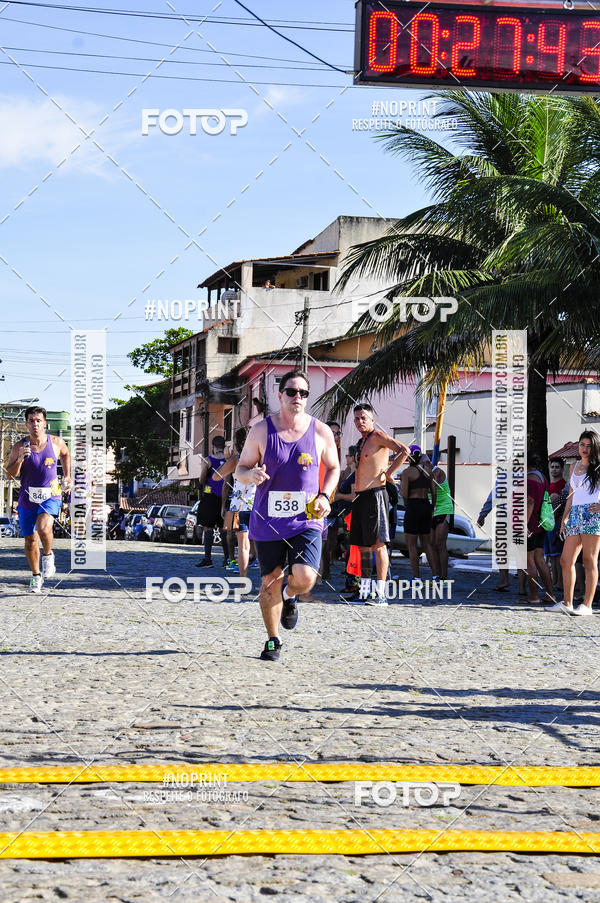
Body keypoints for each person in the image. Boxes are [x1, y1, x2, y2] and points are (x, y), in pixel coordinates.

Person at [236, 370, 340, 661]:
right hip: (268, 520)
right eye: (292, 392)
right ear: (279, 395)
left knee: (305, 578)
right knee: (270, 579)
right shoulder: (261, 431)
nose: (298, 397)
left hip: (307, 517)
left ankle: (290, 595)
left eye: (303, 393)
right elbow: (240, 470)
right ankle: (273, 640)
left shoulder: (321, 431)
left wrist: (324, 495)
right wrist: (251, 473)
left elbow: (334, 468)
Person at [5, 405, 70, 593]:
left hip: (51, 493)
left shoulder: (56, 442)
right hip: (27, 497)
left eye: (38, 420)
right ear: (26, 424)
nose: (35, 424)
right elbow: (10, 475)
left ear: (45, 423)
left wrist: (67, 475)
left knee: (43, 527)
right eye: (31, 421)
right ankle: (36, 576)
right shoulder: (20, 446)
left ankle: (48, 556)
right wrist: (19, 460)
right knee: (30, 541)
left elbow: (66, 454)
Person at [351, 403, 409, 605]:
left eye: (363, 418)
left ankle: (381, 594)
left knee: (378, 545)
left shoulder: (377, 436)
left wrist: (389, 473)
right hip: (360, 498)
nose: (360, 422)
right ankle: (365, 592)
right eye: (357, 418)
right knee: (363, 547)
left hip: (375, 495)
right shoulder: (361, 442)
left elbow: (404, 450)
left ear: (372, 419)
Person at [552, 431, 600, 616]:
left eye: (588, 445)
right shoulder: (573, 466)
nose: (585, 449)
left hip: (592, 514)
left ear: (594, 447)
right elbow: (571, 495)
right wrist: (564, 517)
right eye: (582, 444)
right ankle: (567, 602)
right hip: (574, 515)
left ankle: (587, 605)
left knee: (589, 560)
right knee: (566, 560)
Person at [213, 428, 256, 589]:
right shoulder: (263, 457)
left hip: (240, 505)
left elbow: (216, 476)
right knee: (266, 545)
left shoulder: (237, 459)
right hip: (260, 505)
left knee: (243, 547)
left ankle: (244, 583)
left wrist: (227, 460)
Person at [400, 445, 438, 582]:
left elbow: (404, 494)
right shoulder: (429, 472)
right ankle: (435, 576)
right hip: (426, 506)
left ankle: (416, 577)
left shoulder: (407, 473)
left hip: (413, 507)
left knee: (412, 545)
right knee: (427, 544)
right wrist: (431, 508)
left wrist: (400, 487)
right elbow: (434, 494)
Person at [524, 455, 555, 605]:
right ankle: (550, 594)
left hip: (530, 524)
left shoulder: (529, 479)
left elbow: (529, 502)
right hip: (541, 523)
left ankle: (534, 596)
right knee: (540, 559)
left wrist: (523, 524)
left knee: (528, 559)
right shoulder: (542, 477)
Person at [195, 435, 227, 568]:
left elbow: (202, 480)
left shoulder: (208, 460)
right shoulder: (228, 461)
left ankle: (208, 559)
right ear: (224, 446)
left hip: (210, 497)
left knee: (208, 528)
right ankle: (227, 560)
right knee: (224, 530)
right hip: (224, 498)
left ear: (213, 446)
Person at [545, 456, 566, 593]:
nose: (554, 469)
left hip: (557, 523)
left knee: (558, 554)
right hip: (548, 523)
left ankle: (560, 582)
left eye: (557, 467)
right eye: (552, 467)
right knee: (552, 555)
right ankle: (553, 581)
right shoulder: (550, 485)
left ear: (562, 469)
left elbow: (557, 504)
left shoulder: (563, 485)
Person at [430, 464, 453, 580]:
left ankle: (444, 577)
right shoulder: (421, 474)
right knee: (432, 544)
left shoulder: (437, 472)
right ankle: (436, 576)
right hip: (431, 510)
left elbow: (433, 491)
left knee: (440, 543)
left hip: (442, 508)